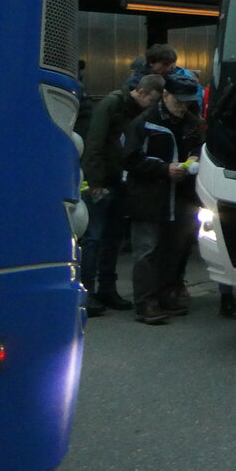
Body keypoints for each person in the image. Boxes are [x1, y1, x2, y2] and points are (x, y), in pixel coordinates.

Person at [78, 74, 166, 316]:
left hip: (118, 180)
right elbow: (95, 142)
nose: (152, 106)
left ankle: (106, 289)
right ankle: (87, 292)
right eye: (153, 100)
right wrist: (94, 180)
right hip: (104, 180)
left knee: (111, 239)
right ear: (144, 93)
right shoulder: (112, 104)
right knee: (94, 238)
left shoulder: (127, 107)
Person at [121, 74, 203, 324]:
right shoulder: (144, 123)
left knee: (175, 248)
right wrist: (164, 169)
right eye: (179, 101)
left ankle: (166, 294)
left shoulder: (192, 122)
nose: (183, 107)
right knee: (147, 250)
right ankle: (146, 302)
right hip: (149, 197)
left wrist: (195, 159)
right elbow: (129, 159)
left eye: (187, 102)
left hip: (179, 197)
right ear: (165, 95)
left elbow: (200, 147)